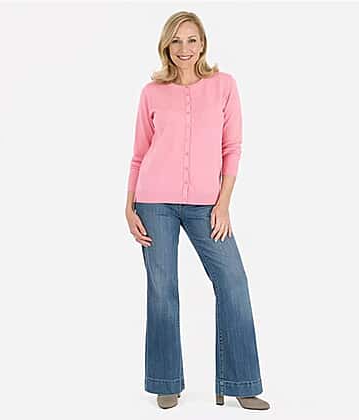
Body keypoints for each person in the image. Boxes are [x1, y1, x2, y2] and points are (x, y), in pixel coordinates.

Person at [125, 10, 270, 411]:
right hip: (153, 201)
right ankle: (165, 381)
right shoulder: (151, 92)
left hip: (207, 204)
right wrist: (129, 205)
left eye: (191, 40)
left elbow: (232, 148)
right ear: (166, 46)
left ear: (202, 43)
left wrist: (224, 204)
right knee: (162, 290)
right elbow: (139, 154)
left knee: (233, 282)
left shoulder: (224, 86)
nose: (184, 48)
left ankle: (241, 383)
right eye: (176, 40)